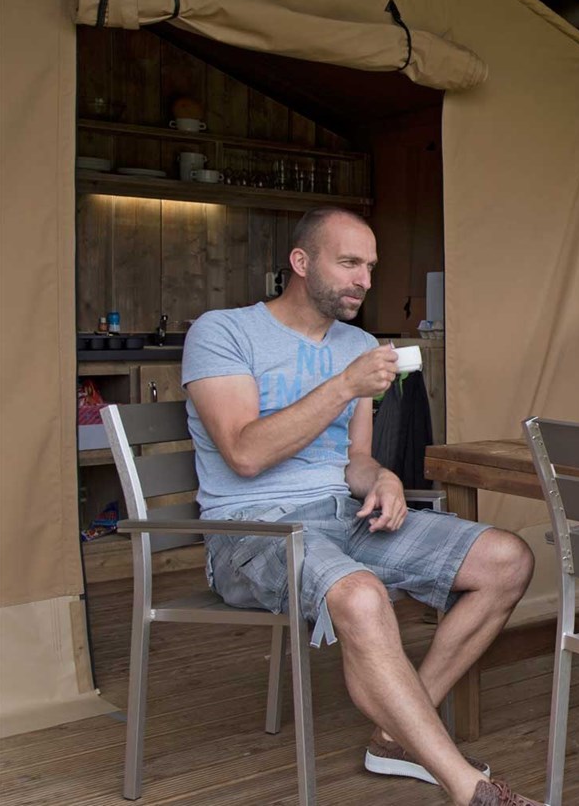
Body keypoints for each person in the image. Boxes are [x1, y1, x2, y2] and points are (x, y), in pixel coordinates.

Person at [183, 207, 542, 806]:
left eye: (370, 267)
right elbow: (244, 455)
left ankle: (396, 735)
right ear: (300, 263)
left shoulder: (358, 344)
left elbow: (355, 460)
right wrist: (345, 384)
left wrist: (386, 479)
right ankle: (469, 788)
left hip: (342, 518)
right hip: (252, 532)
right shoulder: (224, 332)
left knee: (507, 559)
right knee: (360, 593)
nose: (364, 280)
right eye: (349, 263)